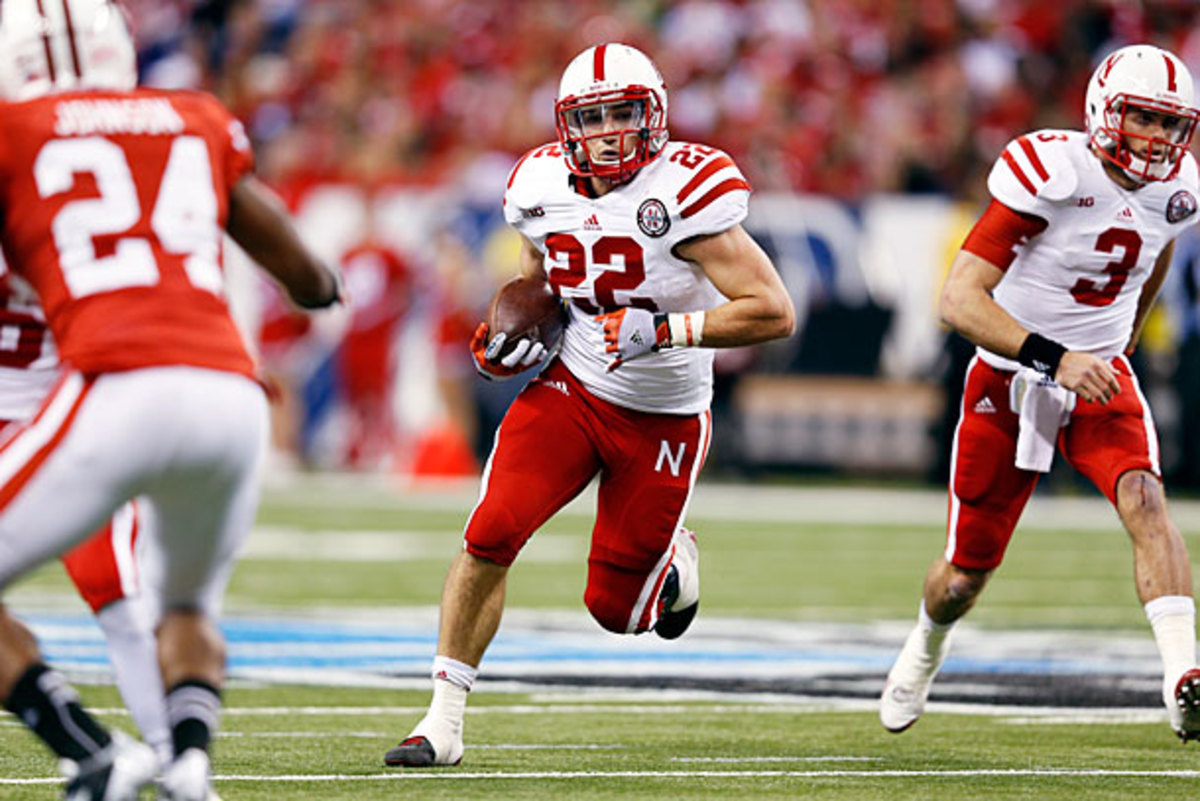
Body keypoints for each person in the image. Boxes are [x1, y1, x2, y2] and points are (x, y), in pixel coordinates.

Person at [383, 42, 795, 768]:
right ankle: (441, 722)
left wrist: (666, 328)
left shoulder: (688, 193)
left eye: (622, 114)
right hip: (574, 389)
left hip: (664, 414)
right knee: (491, 529)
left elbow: (772, 310)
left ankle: (673, 565)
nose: (607, 131)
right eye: (592, 117)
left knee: (617, 611)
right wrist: (509, 335)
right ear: (567, 124)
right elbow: (539, 280)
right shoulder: (539, 185)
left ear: (656, 116)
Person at [0, 3, 339, 800]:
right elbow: (304, 273)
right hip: (229, 394)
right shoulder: (193, 117)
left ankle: (88, 747)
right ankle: (188, 763)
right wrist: (323, 284)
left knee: (129, 586)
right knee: (184, 601)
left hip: (117, 384)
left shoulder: (15, 134)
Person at [880, 44, 1200, 742]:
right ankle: (925, 645)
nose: (1158, 139)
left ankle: (1184, 675)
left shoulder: (1180, 189)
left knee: (1145, 498)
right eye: (1143, 118)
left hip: (1100, 374)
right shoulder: (1054, 171)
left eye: (1171, 124)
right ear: (1103, 111)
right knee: (964, 575)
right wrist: (1057, 357)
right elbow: (959, 299)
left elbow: (1156, 249)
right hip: (1012, 376)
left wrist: (1123, 336)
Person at [0, 269, 170, 767]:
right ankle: (98, 751)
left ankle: (176, 763)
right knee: (121, 606)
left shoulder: (51, 216)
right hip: (55, 428)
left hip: (63, 429)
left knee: (118, 597)